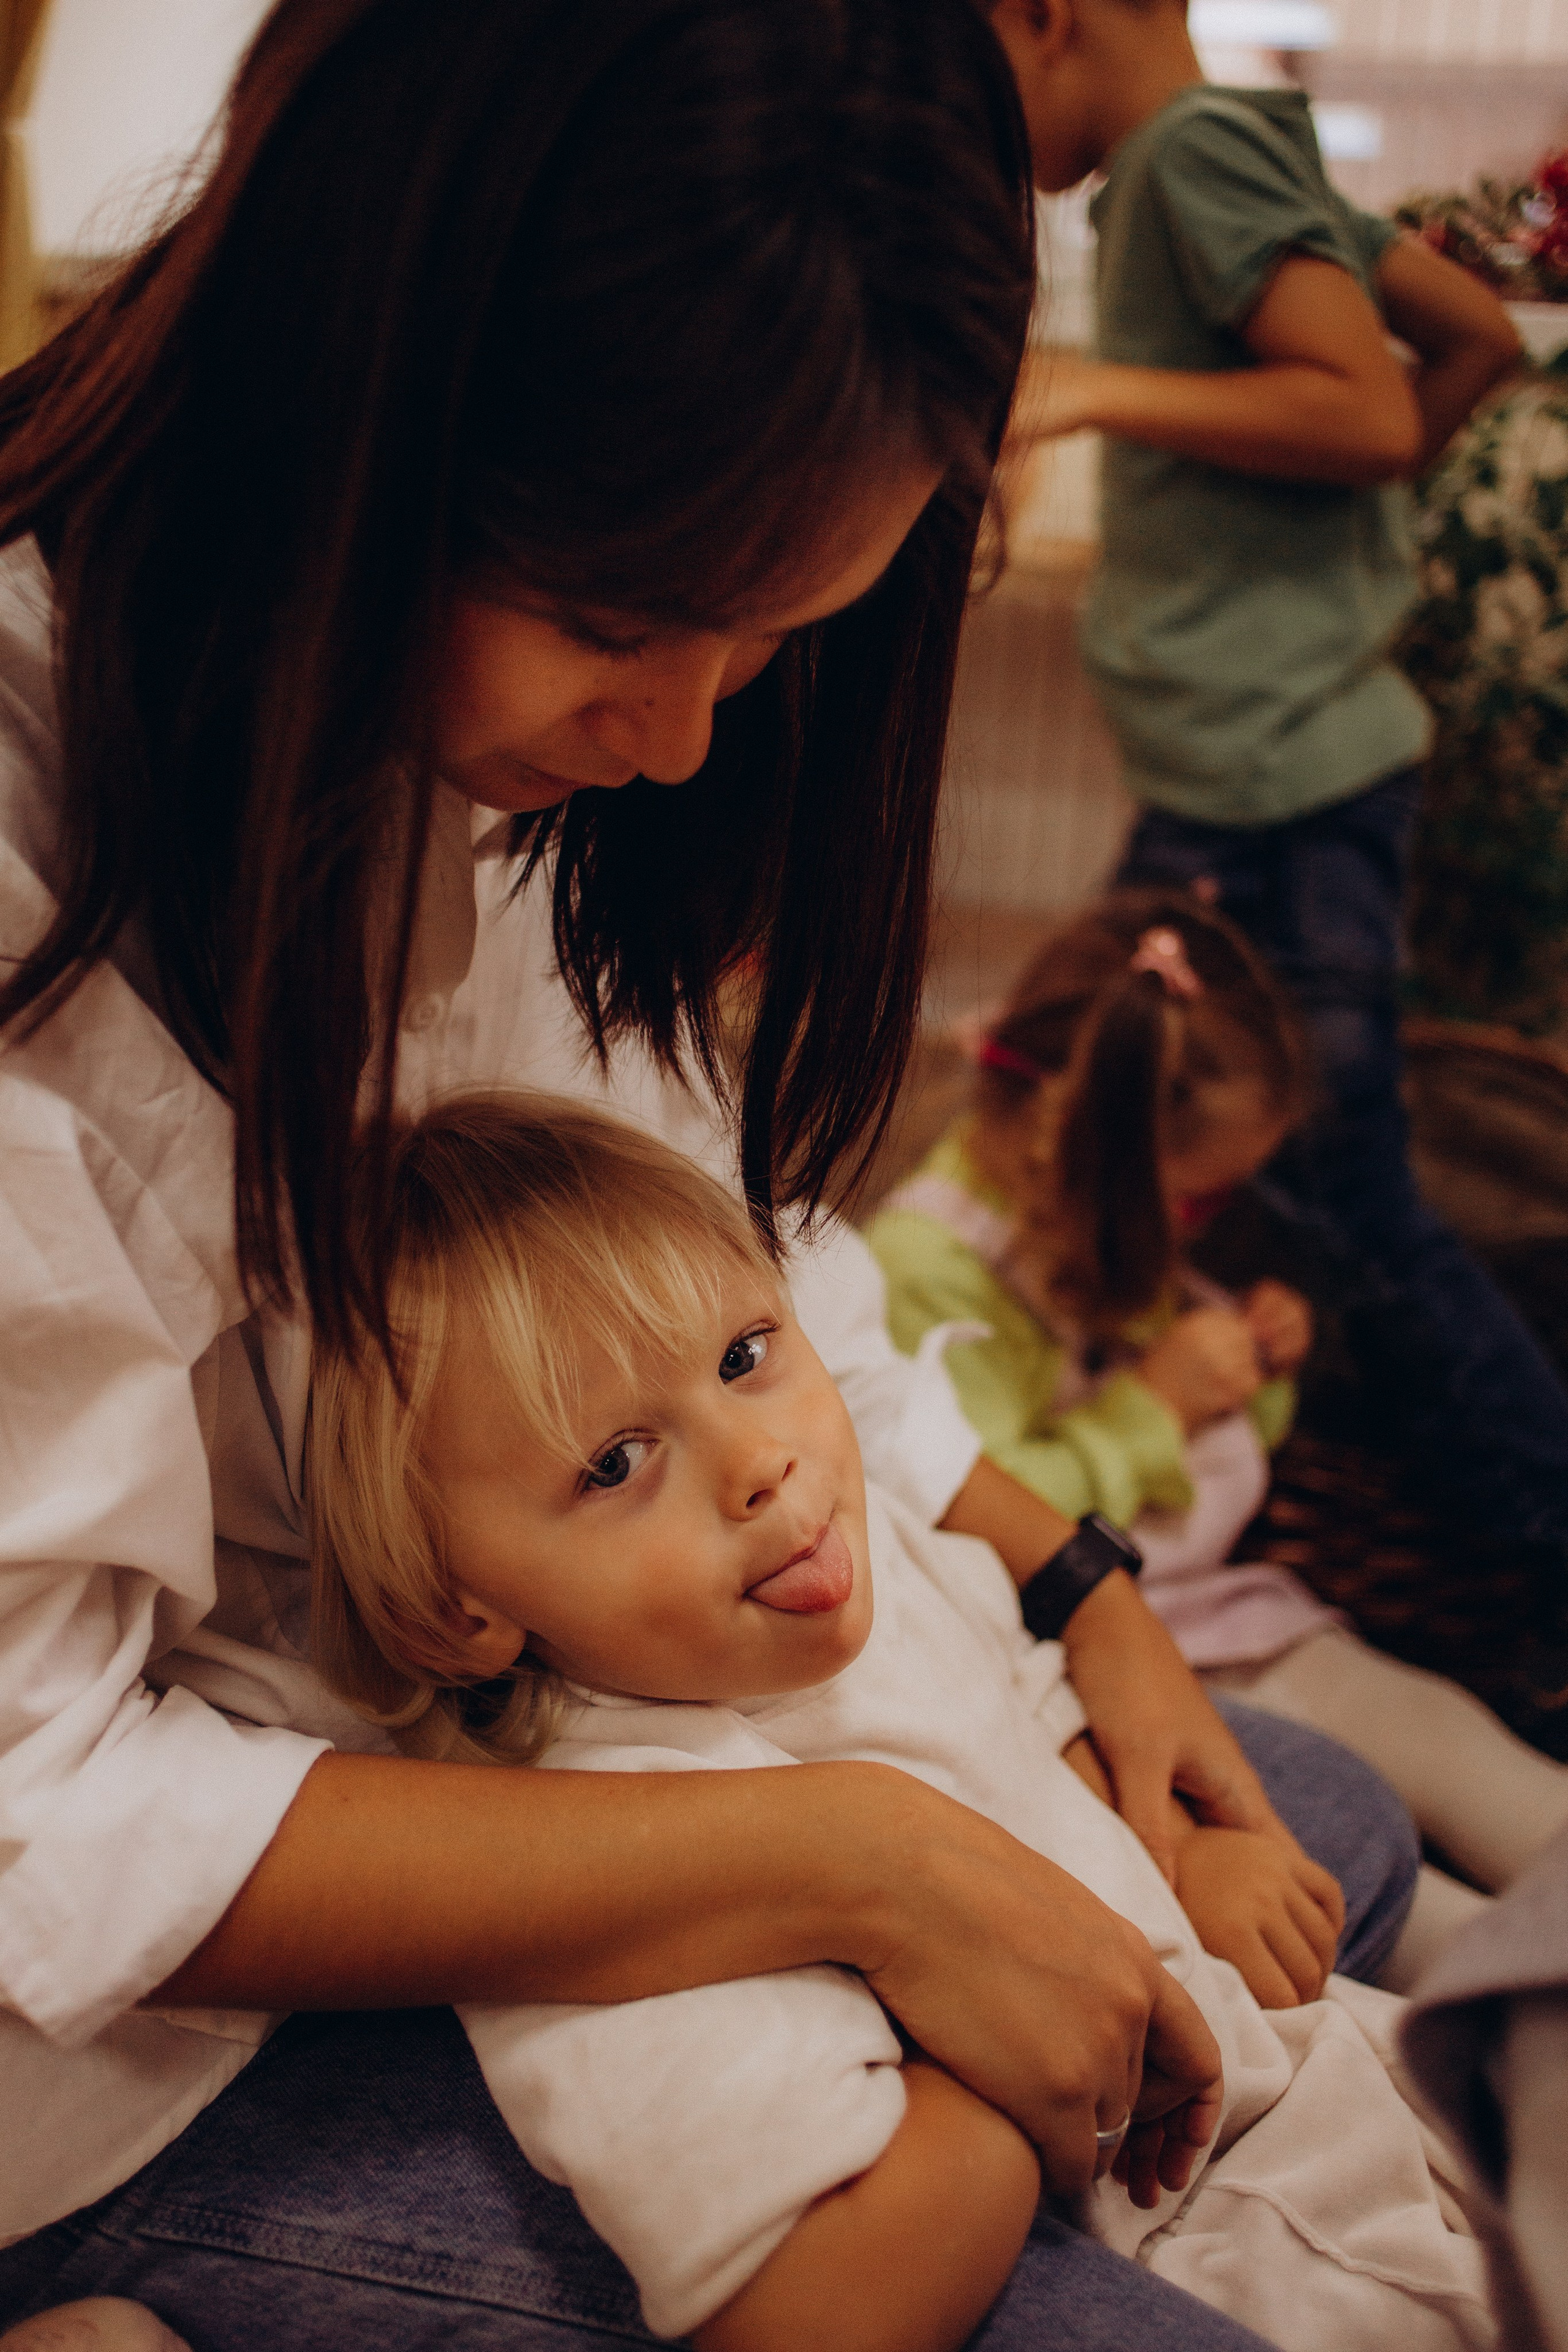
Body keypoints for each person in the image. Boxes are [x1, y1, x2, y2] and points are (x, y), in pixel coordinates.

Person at [0, 4, 1386, 2346]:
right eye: (626, 629)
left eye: (769, 644)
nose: (672, 742)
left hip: (531, 1718)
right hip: (139, 2023)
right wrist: (845, 1863)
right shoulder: (56, 831)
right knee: (1061, 2209)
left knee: (1302, 1817)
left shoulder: (499, 750)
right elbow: (52, 1817)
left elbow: (726, 1240)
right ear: (357, 412)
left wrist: (1088, 1603)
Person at [302, 1091, 1490, 2352]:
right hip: (1229, 2236)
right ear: (456, 1610)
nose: (759, 1462)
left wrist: (1183, 1856)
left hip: (1321, 2082)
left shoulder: (864, 1564)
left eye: (745, 1356)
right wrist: (1003, 2076)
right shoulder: (607, 1864)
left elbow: (1020, 1712)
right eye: (613, 1462)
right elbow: (812, 2314)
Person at [986, 0, 1568, 1618]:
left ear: (1048, 17)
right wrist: (1332, 536)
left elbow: (1373, 411)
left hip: (1274, 788)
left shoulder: (1188, 159)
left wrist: (1091, 394)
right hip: (1275, 768)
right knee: (1156, 1107)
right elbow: (1466, 345)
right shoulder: (1246, 151)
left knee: (1324, 1186)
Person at [869, 891, 1568, 1988]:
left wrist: (1257, 1370)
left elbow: (1199, 1440)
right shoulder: (923, 1269)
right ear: (1092, 1149)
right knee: (1380, 1887)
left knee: (1450, 1738)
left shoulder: (1093, 1207)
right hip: (1067, 1659)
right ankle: (1514, 2014)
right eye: (1192, 1207)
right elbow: (962, 1509)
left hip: (1220, 1609)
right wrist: (1152, 1405)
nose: (1197, 1229)